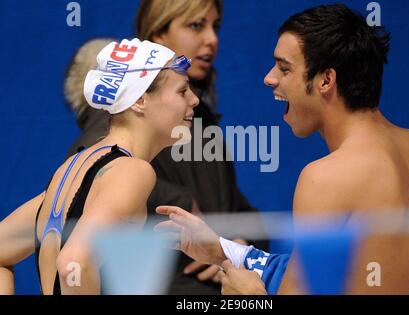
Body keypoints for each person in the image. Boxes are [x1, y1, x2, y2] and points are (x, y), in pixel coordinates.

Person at [155, 4, 409, 295]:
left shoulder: (327, 177)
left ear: (325, 80)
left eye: (284, 68)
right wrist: (225, 251)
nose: (269, 78)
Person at [65, 0, 266, 294]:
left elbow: (231, 206)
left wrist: (233, 247)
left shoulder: (199, 118)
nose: (211, 39)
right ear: (158, 34)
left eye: (215, 26)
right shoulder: (125, 107)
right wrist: (184, 208)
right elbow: (89, 167)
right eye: (195, 25)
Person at [0, 38, 199, 294]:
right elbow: (74, 261)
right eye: (182, 91)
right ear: (139, 100)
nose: (194, 100)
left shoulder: (71, 171)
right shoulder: (132, 171)